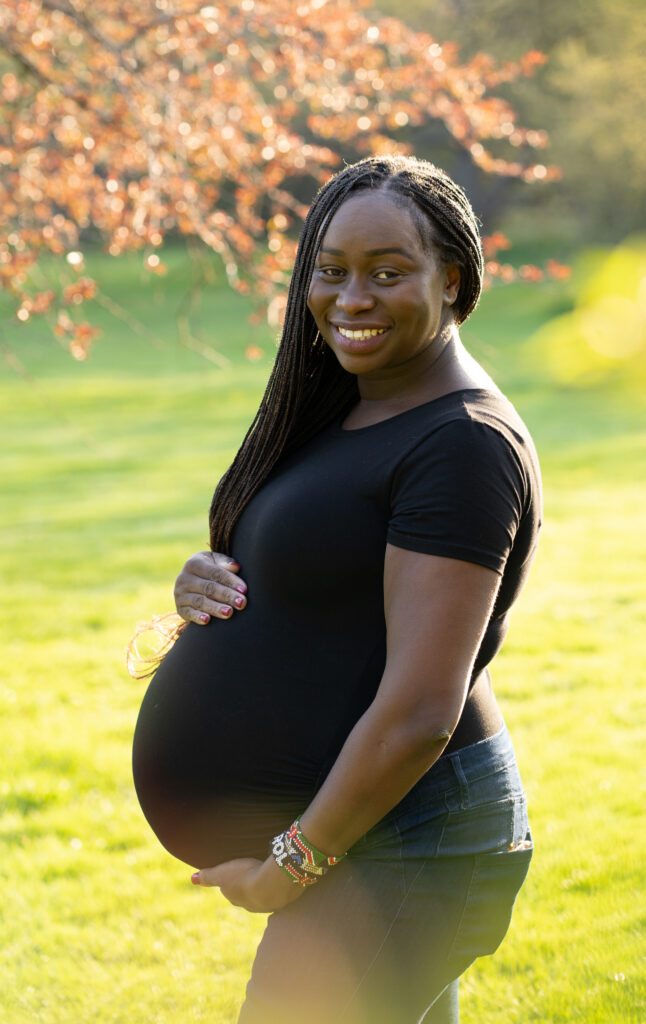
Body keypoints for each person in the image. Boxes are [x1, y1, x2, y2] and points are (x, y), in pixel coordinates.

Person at [132, 155, 541, 1024]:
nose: (350, 298)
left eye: (387, 273)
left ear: (454, 279)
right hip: (369, 828)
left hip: (408, 836)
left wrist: (291, 866)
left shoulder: (461, 443)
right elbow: (332, 588)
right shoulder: (353, 407)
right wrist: (207, 581)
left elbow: (422, 708)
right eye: (330, 270)